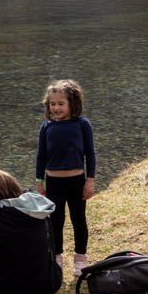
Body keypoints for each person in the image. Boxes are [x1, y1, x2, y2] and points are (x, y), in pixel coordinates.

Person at [36, 79, 96, 271]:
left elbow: (90, 154)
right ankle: (56, 257)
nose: (56, 108)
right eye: (52, 104)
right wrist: (39, 182)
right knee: (55, 221)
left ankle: (80, 257)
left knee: (78, 219)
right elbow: (41, 157)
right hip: (53, 183)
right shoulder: (46, 127)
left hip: (77, 182)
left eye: (61, 104)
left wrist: (90, 181)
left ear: (73, 103)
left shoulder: (82, 124)